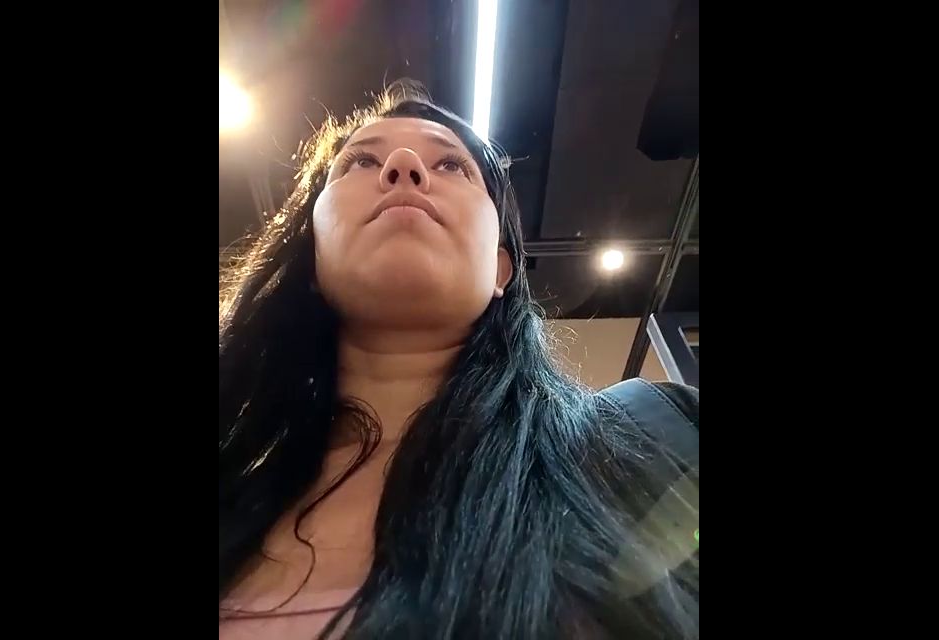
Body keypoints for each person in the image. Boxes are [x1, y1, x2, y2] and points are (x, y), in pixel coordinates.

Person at [219, 81, 699, 640]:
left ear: (500, 269)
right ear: (311, 259)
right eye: (360, 162)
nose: (401, 165)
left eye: (451, 165)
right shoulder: (233, 475)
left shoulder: (664, 440)